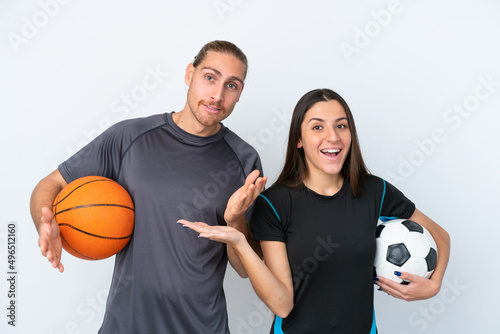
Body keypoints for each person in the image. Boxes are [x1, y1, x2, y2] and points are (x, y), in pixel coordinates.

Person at [30, 40, 267, 333]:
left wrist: (235, 221)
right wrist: (45, 224)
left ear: (240, 93)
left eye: (232, 85)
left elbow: (245, 269)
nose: (218, 95)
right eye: (210, 77)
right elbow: (51, 183)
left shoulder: (244, 160)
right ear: (189, 74)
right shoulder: (129, 137)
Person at [178, 88, 451, 333]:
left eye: (341, 126)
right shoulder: (275, 203)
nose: (332, 137)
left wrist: (434, 284)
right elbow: (282, 306)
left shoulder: (375, 192)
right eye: (317, 127)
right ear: (299, 139)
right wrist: (239, 237)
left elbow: (440, 235)